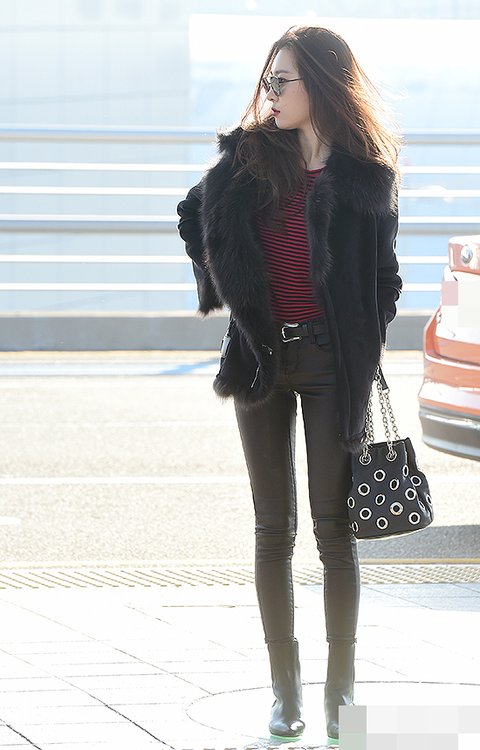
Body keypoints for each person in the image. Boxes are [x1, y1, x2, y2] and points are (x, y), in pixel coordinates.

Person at [177, 25, 402, 743]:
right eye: (267, 81)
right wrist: (221, 283)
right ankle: (286, 690)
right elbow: (193, 217)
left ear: (322, 86)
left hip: (333, 364)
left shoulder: (365, 175)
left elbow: (386, 279)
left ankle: (341, 691)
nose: (270, 94)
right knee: (273, 528)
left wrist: (361, 338)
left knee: (335, 532)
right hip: (260, 360)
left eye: (284, 81)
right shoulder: (247, 160)